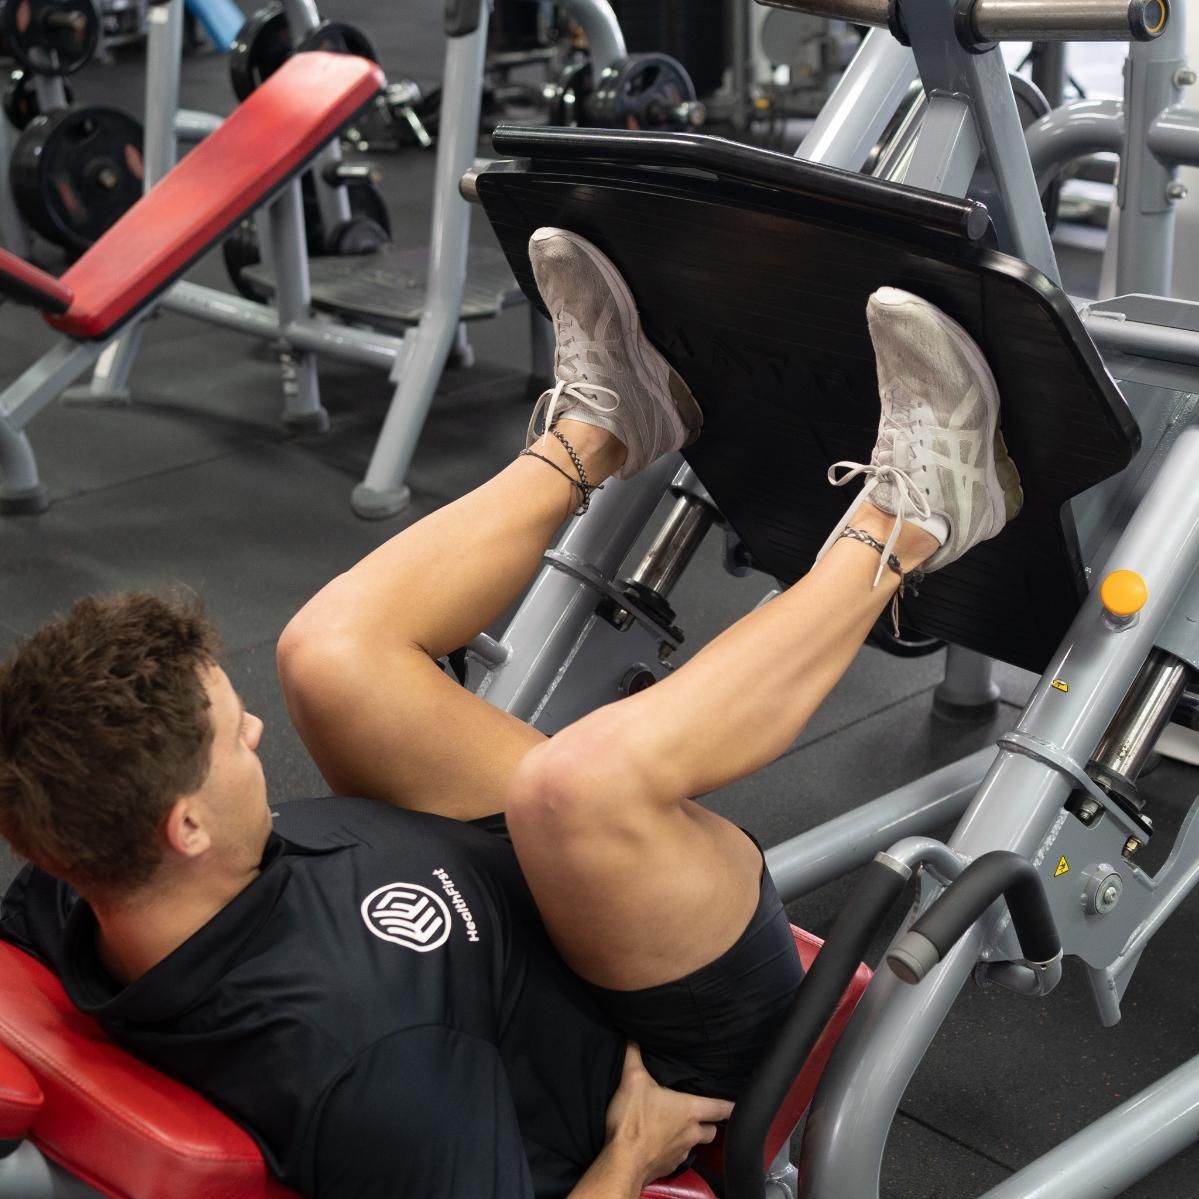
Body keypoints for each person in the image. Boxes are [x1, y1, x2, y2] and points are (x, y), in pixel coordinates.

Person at [0, 228, 1021, 1199]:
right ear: (181, 826)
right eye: (231, 738)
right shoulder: (373, 1075)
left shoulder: (75, 881)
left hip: (482, 893)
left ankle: (609, 423)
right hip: (665, 1016)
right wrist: (627, 1156)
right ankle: (916, 516)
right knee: (575, 783)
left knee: (323, 653)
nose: (255, 731)